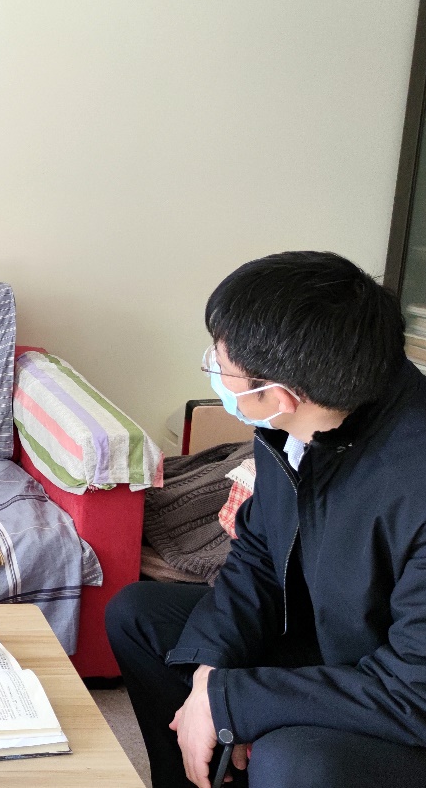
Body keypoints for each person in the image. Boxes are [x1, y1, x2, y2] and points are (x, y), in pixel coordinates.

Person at [106, 251, 426, 788]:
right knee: (139, 615)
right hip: (335, 641)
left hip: (399, 694)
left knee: (291, 759)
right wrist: (210, 676)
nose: (214, 368)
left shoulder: (411, 479)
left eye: (220, 364)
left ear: (277, 395)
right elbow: (258, 551)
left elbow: (412, 692)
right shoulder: (300, 419)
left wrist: (236, 700)